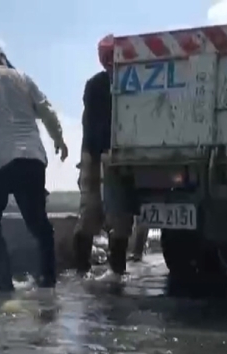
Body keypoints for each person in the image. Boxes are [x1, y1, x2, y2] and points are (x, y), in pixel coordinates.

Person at [0, 42, 69, 292]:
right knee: (38, 222)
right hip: (33, 158)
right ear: (2, 57)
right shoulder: (22, 78)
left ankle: (2, 278)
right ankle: (48, 281)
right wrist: (58, 139)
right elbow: (47, 111)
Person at [73, 34, 136, 282]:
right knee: (106, 215)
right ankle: (106, 271)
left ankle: (95, 272)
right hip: (104, 154)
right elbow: (92, 125)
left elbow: (90, 123)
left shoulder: (97, 84)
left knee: (110, 216)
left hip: (107, 154)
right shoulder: (110, 84)